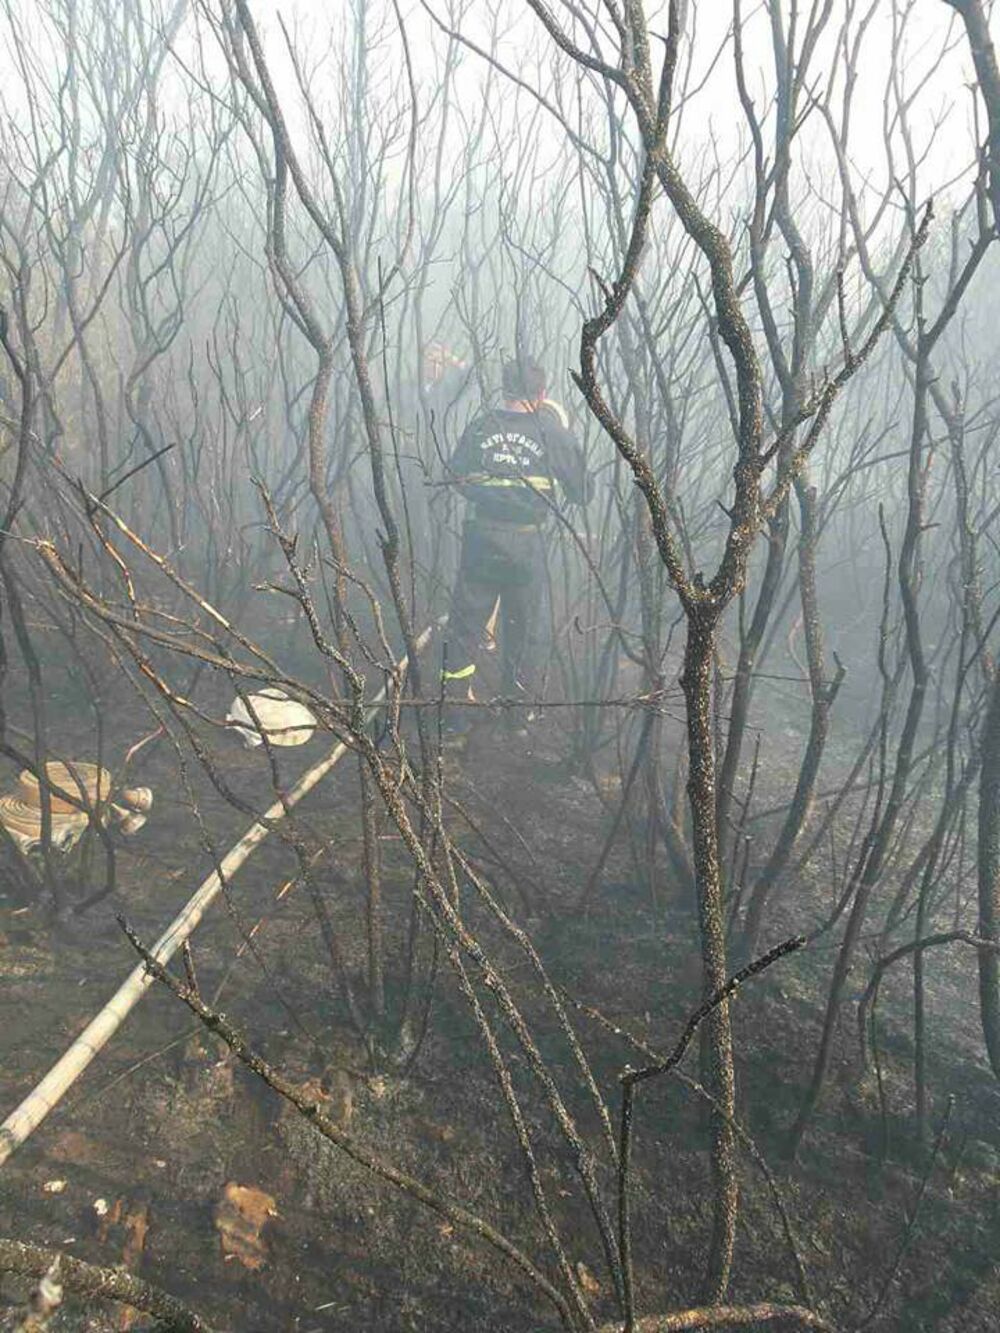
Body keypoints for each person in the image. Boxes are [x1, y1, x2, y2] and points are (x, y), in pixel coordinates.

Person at [441, 356, 590, 745]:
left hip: (481, 538)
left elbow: (453, 474)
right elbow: (582, 492)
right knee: (523, 629)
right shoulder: (551, 432)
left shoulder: (481, 426)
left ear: (505, 389)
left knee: (465, 628)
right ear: (541, 394)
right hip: (526, 544)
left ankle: (453, 717)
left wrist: (487, 495)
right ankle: (516, 717)